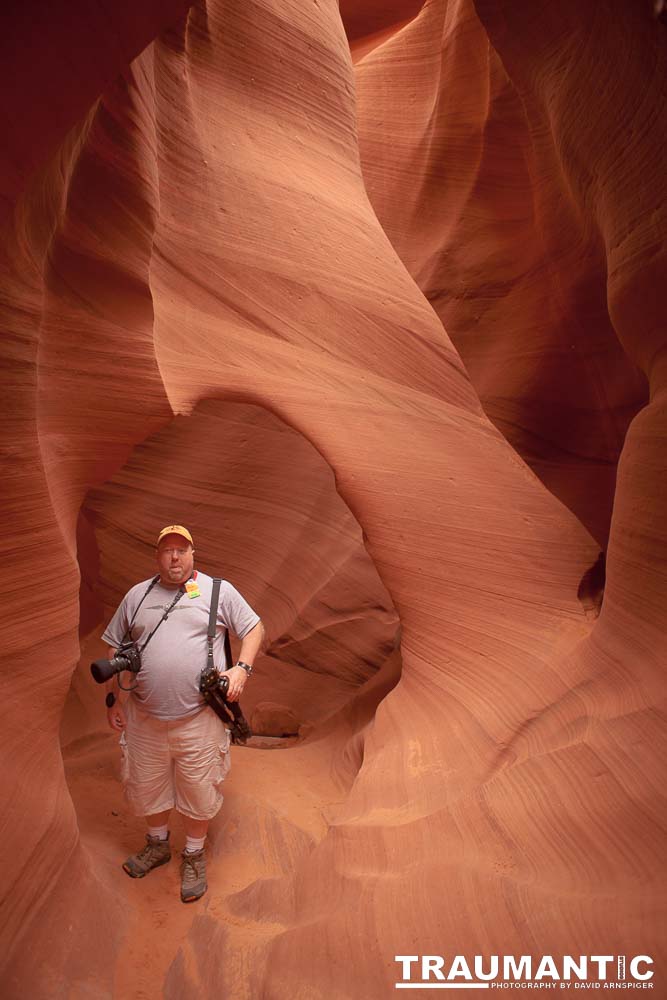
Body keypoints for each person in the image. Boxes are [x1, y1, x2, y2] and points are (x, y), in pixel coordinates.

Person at [102, 524, 264, 902]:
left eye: (181, 550)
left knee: (198, 786)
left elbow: (254, 628)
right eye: (167, 551)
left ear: (193, 553)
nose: (174, 557)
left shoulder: (216, 592)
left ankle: (193, 854)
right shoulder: (137, 596)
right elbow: (113, 649)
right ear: (157, 556)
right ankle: (157, 845)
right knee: (147, 784)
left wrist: (242, 668)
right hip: (143, 716)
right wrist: (112, 700)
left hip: (199, 718)